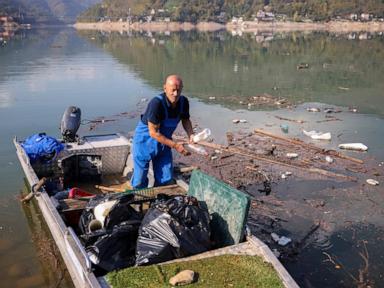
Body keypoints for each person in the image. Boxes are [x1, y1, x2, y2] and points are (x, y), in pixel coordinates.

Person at [131, 75, 194, 188]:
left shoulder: (184, 102)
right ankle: (138, 200)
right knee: (139, 180)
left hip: (164, 143)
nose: (176, 94)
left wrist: (191, 135)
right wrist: (175, 145)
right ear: (165, 88)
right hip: (145, 142)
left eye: (178, 90)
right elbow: (153, 133)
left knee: (165, 178)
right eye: (173, 90)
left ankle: (159, 199)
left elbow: (185, 120)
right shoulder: (157, 104)